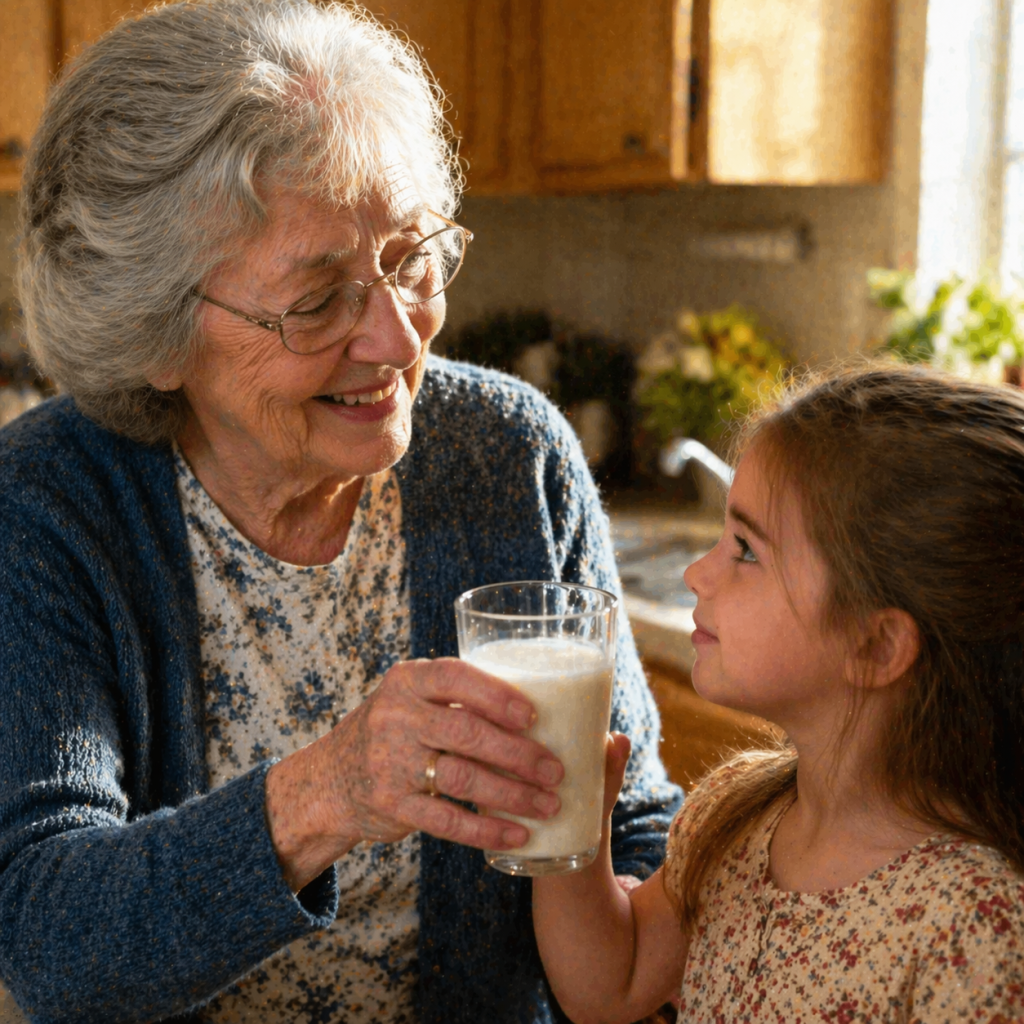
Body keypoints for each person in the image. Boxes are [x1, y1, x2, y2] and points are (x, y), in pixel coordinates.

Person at [0, 2, 681, 1021]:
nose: (397, 340)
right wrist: (329, 792)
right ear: (157, 335)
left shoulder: (508, 453)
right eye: (318, 301)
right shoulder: (47, 504)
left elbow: (631, 834)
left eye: (411, 258)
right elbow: (48, 938)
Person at [533, 365, 1024, 1023]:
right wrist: (567, 814)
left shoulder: (979, 930)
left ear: (875, 646)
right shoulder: (737, 815)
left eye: (746, 550)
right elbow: (611, 984)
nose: (697, 572)